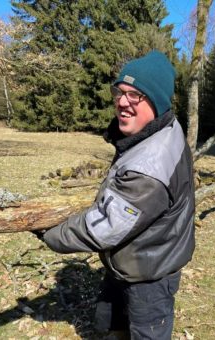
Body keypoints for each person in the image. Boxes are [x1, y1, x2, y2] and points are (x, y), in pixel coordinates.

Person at [32, 50, 195, 339]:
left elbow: (106, 228)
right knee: (111, 324)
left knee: (146, 332)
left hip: (150, 272)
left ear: (157, 102)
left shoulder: (149, 168)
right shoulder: (161, 128)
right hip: (132, 258)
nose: (121, 101)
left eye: (135, 96)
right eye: (119, 92)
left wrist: (51, 234)